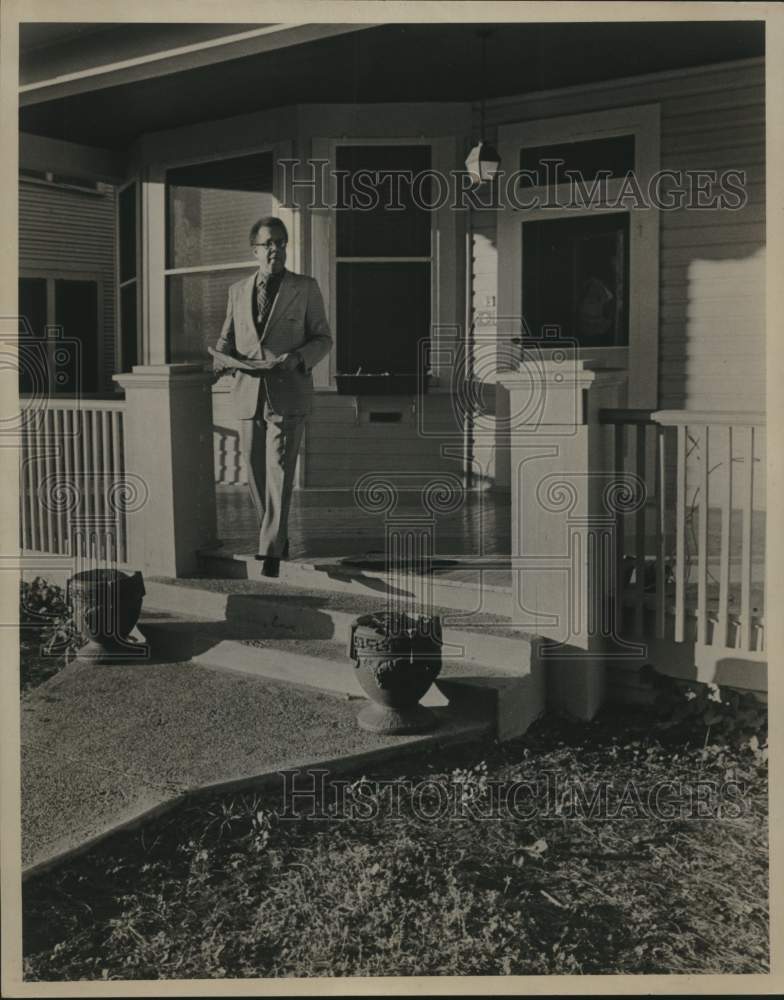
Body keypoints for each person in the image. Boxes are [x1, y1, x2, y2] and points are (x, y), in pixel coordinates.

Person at [212, 216, 332, 576]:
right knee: (253, 468)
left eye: (281, 242)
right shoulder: (237, 291)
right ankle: (277, 537)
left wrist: (298, 358)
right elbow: (227, 339)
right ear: (255, 250)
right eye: (268, 244)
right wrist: (218, 360)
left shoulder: (305, 287)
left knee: (279, 468)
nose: (275, 249)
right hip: (248, 392)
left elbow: (323, 338)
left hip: (288, 390)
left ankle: (269, 553)